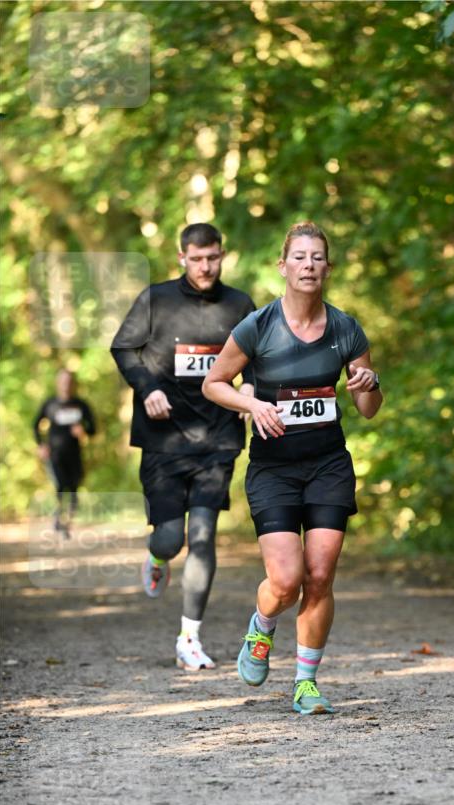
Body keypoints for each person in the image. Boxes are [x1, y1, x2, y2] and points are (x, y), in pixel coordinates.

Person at [202, 221, 382, 715]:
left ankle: (306, 682)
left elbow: (368, 408)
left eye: (317, 257)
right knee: (286, 580)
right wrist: (250, 404)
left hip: (328, 465)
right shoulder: (258, 326)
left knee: (320, 576)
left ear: (328, 267)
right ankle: (261, 626)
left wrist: (367, 381)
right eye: (299, 257)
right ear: (283, 266)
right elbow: (214, 382)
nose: (309, 265)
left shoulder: (346, 328)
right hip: (274, 470)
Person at [111, 222, 255, 671]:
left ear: (222, 254)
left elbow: (258, 358)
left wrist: (249, 389)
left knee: (204, 537)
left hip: (218, 438)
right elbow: (124, 349)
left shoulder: (240, 305)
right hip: (164, 438)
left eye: (212, 257)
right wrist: (147, 388)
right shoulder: (156, 299)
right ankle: (157, 555)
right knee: (172, 538)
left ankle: (189, 636)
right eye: (196, 259)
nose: (205, 266)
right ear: (182, 258)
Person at [34, 369, 96, 537]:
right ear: (57, 383)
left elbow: (93, 429)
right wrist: (41, 445)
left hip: (75, 455)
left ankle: (67, 522)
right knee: (60, 486)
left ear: (73, 384)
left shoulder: (80, 405)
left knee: (74, 488)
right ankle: (58, 519)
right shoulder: (50, 404)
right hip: (55, 455)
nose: (65, 384)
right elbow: (35, 425)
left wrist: (83, 430)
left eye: (68, 381)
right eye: (62, 381)